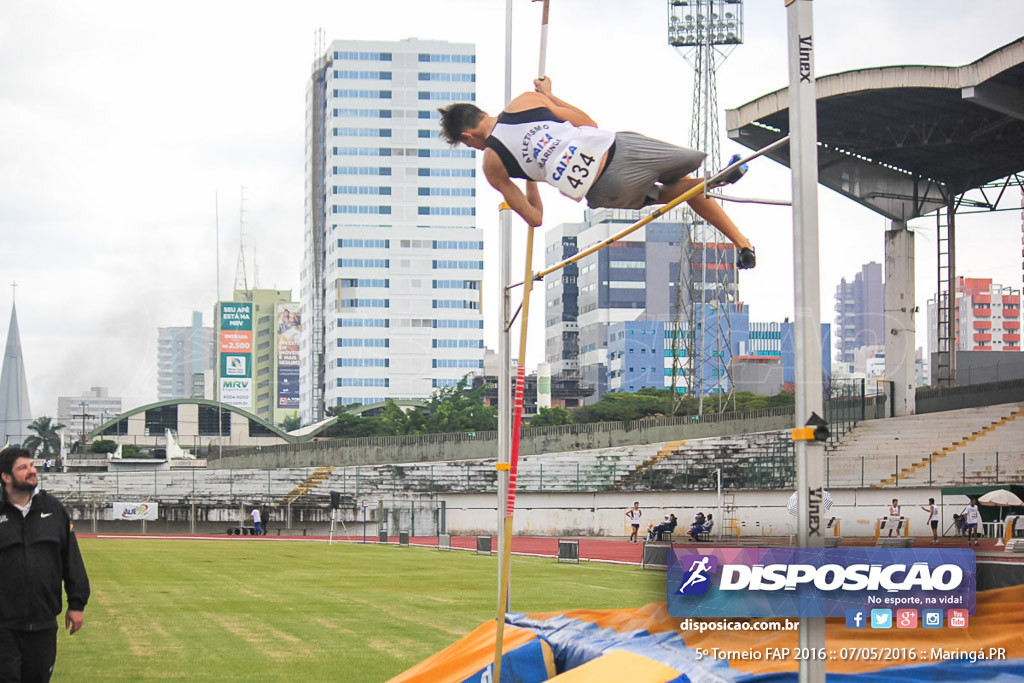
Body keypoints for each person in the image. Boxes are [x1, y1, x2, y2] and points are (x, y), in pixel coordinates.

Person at [438, 76, 757, 269]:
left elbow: (535, 217)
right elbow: (586, 121)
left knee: (671, 193)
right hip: (618, 146)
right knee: (686, 184)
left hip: (603, 185)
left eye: (467, 146)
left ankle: (724, 204)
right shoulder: (524, 101)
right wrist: (548, 95)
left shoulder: (493, 164)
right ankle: (738, 234)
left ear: (467, 136)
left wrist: (528, 176)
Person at [0, 447, 90, 682]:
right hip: (3, 626)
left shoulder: (53, 509)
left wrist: (77, 603)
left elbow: (71, 558)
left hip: (43, 624)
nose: (32, 471)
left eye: (31, 465)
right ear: (5, 477)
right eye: (23, 467)